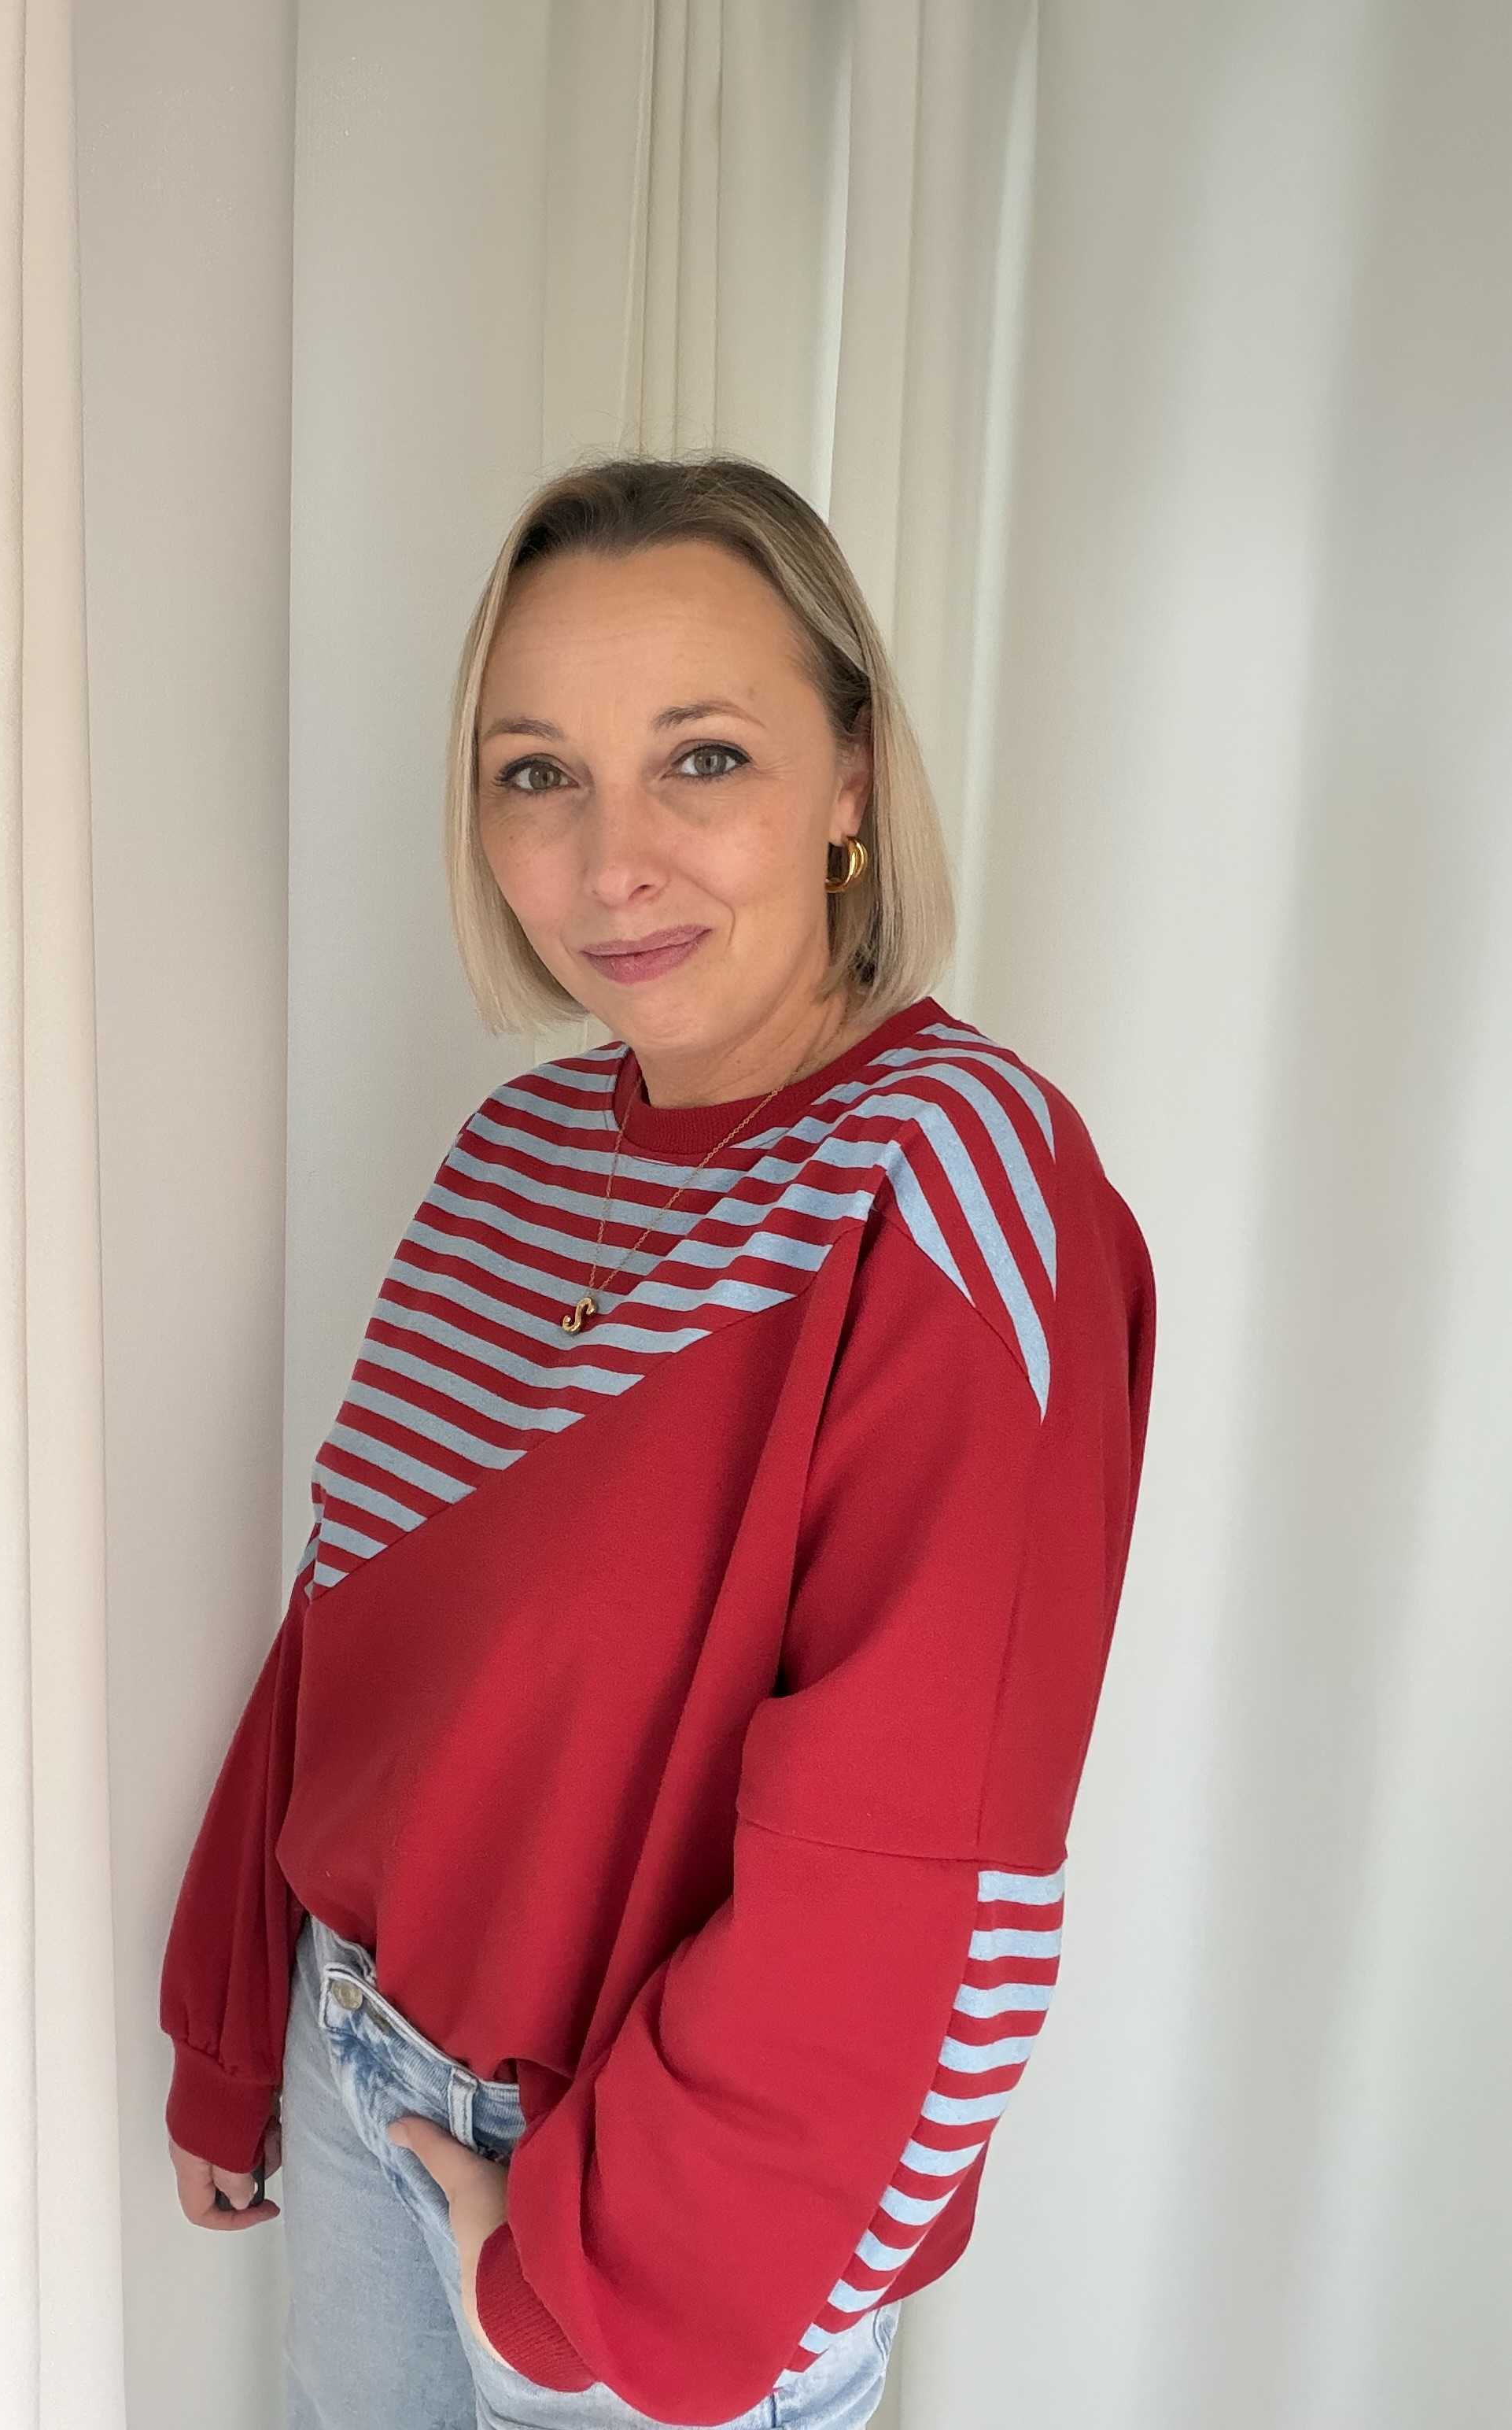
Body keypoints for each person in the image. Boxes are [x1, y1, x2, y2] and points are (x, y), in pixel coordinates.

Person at [159, 452, 1158, 2430]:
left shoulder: (954, 1178)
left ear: (851, 773)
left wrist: (583, 2286)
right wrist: (233, 2021)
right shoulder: (517, 1151)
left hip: (646, 2219)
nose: (612, 860)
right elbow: (351, 1634)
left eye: (703, 757)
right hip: (360, 2087)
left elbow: (924, 1878)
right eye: (538, 771)